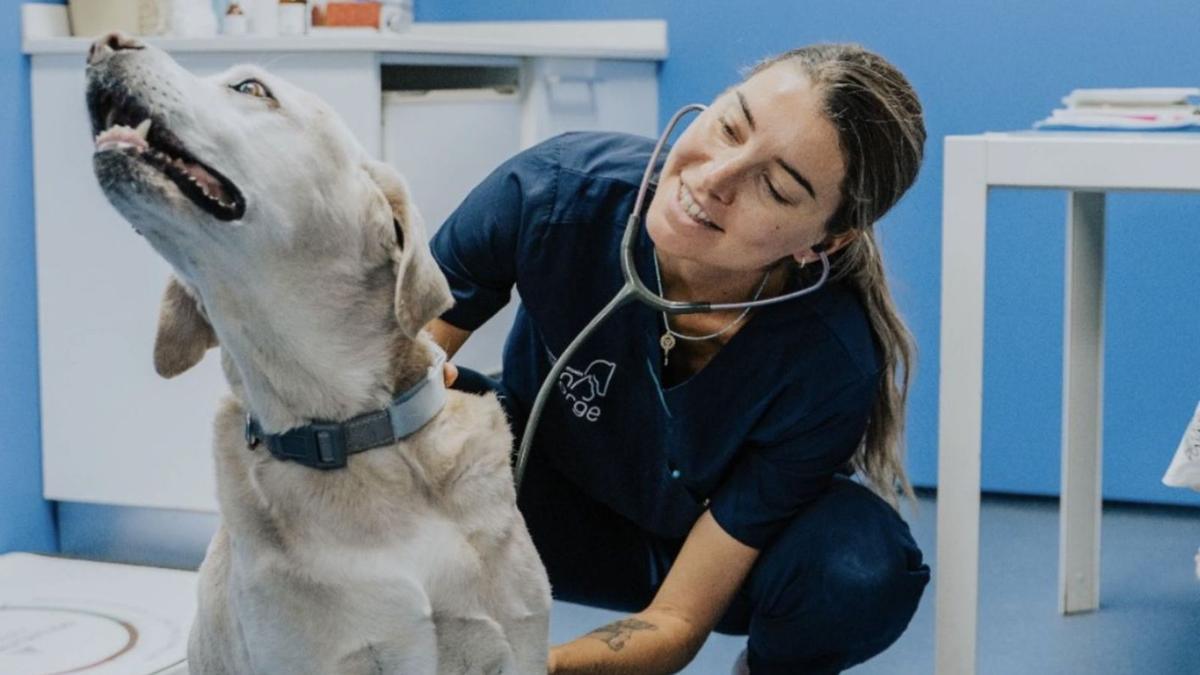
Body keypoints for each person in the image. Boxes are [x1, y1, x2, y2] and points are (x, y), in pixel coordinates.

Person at [426, 43, 930, 675]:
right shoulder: (553, 192)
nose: (714, 179)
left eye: (773, 187)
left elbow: (677, 621)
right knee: (407, 425)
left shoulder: (828, 364)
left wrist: (532, 670)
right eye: (729, 126)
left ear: (823, 240)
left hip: (711, 560)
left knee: (860, 567)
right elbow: (389, 379)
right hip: (528, 493)